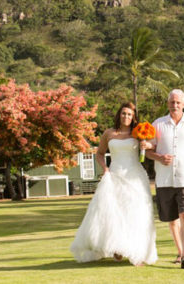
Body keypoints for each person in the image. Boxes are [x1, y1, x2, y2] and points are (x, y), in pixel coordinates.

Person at [70, 102, 157, 266]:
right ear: (119, 115)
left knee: (137, 212)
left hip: (135, 175)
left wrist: (148, 145)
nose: (126, 116)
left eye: (130, 114)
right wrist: (105, 168)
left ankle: (138, 251)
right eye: (124, 113)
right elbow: (100, 154)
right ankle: (117, 247)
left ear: (134, 117)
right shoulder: (109, 133)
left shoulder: (138, 133)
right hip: (115, 174)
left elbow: (152, 147)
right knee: (115, 211)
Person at [144, 89, 184, 269]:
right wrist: (159, 157)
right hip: (164, 180)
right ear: (168, 104)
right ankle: (180, 253)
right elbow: (148, 150)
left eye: (178, 102)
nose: (175, 105)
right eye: (172, 102)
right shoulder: (157, 124)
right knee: (172, 220)